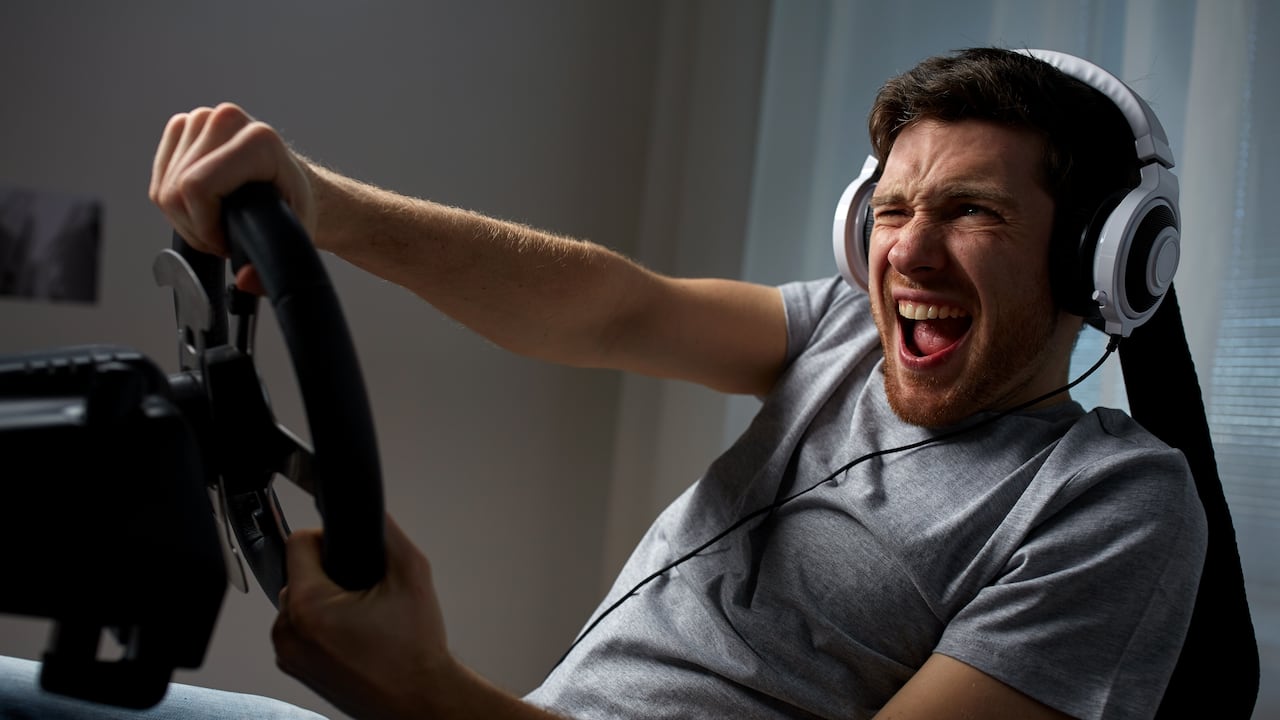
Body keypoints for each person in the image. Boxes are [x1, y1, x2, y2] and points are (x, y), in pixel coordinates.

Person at [2, 47, 1206, 719]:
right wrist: (318, 206)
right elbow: (603, 304)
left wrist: (423, 693)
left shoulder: (1110, 508)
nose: (907, 251)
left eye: (971, 212)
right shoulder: (842, 329)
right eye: (890, 210)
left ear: (1097, 252)